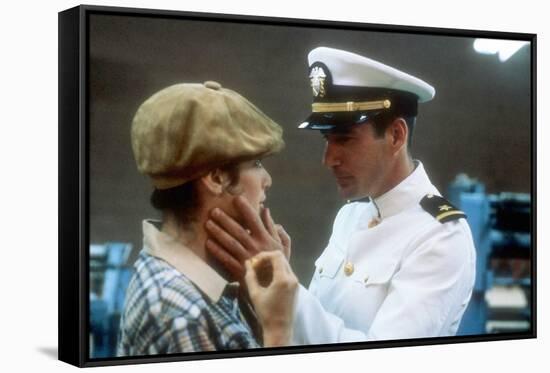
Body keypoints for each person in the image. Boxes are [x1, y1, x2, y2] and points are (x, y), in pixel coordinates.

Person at [205, 47, 477, 344]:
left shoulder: (440, 237)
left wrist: (284, 286)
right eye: (327, 139)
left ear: (396, 136)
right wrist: (277, 282)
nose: (329, 158)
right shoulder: (350, 215)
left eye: (344, 139)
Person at [116, 80, 297, 355]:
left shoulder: (196, 279)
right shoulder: (179, 315)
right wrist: (279, 329)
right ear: (216, 177)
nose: (267, 180)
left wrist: (257, 304)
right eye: (257, 163)